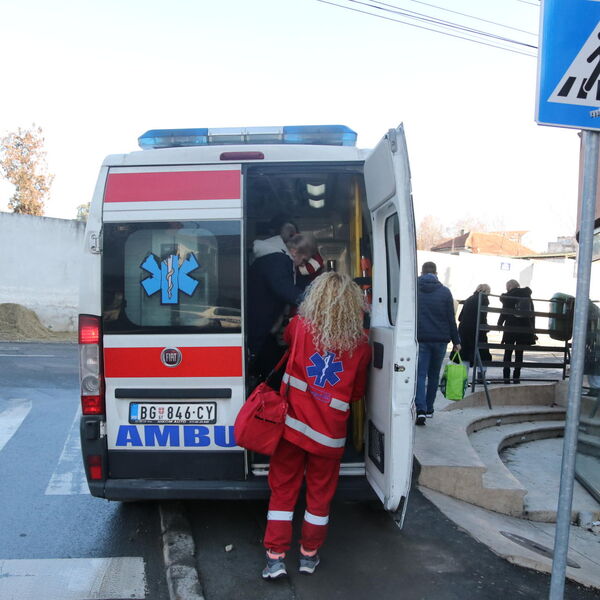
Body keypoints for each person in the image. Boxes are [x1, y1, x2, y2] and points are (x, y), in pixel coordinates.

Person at [261, 272, 371, 579]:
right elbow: (357, 393)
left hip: (292, 428)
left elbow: (285, 340)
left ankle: (275, 558)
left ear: (316, 298)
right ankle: (309, 555)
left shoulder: (299, 326)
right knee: (320, 495)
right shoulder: (361, 346)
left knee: (283, 491)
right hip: (329, 435)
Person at [248, 231, 317, 379]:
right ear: (294, 251)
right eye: (304, 260)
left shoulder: (273, 258)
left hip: (261, 327)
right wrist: (317, 303)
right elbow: (285, 289)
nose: (303, 265)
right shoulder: (278, 260)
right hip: (260, 328)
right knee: (275, 376)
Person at [416, 261, 460, 425]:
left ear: (422, 272)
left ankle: (420, 409)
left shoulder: (415, 290)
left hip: (421, 339)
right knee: (433, 375)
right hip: (441, 340)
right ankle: (429, 409)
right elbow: (450, 318)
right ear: (436, 273)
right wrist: (456, 341)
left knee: (420, 375)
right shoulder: (445, 292)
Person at [498, 279, 536, 384]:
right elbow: (532, 313)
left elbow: (504, 311)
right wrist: (532, 329)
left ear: (509, 286)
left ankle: (506, 378)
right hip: (524, 327)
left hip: (510, 327)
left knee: (508, 352)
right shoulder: (527, 295)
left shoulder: (509, 296)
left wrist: (499, 323)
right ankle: (516, 377)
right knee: (519, 353)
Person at [458, 284, 492, 380]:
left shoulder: (469, 298)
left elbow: (460, 317)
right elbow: (482, 316)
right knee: (483, 354)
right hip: (476, 331)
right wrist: (485, 327)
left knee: (465, 354)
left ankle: (463, 380)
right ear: (486, 291)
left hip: (464, 330)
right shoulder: (484, 299)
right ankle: (481, 379)